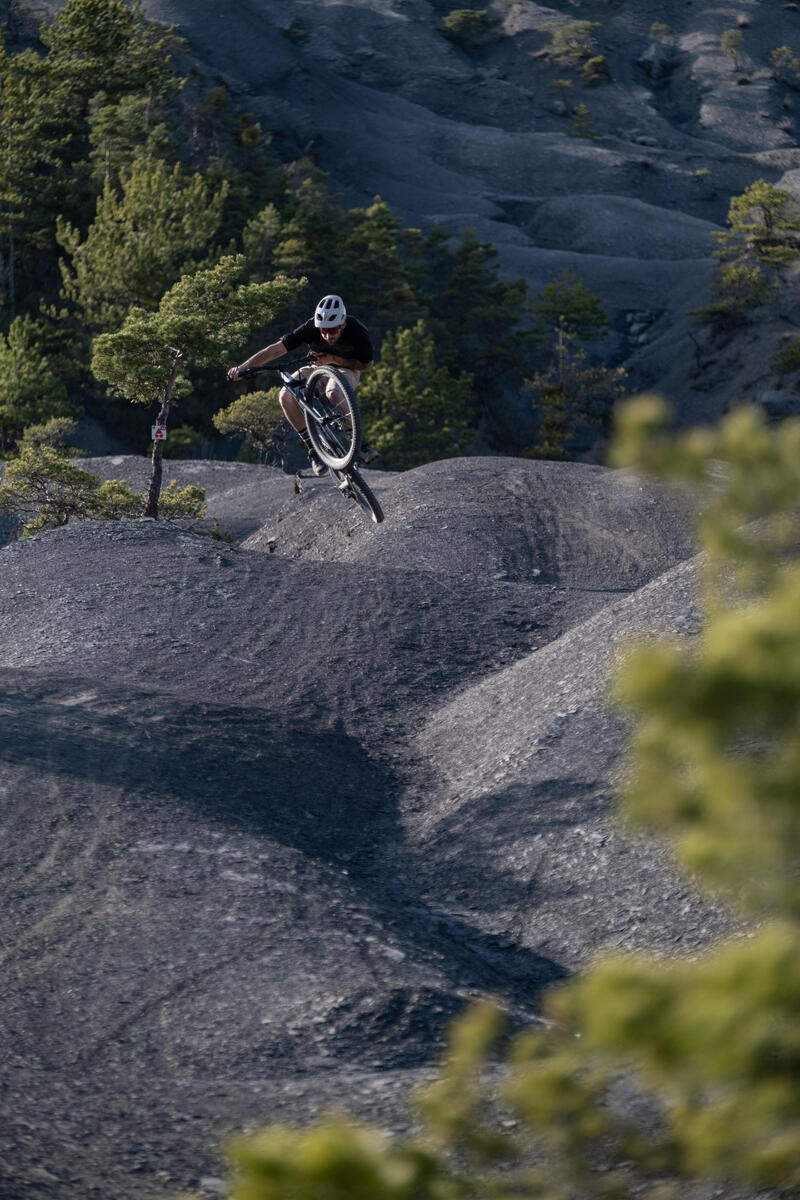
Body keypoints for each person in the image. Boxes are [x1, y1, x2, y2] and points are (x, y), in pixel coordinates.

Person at [227, 294, 377, 477]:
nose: (328, 335)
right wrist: (243, 368)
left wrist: (333, 359)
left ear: (343, 324)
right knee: (285, 395)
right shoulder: (310, 327)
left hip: (348, 369)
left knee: (333, 393)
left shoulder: (357, 329)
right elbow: (275, 349)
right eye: (323, 331)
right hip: (317, 368)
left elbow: (366, 364)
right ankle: (314, 449)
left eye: (333, 330)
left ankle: (359, 444)